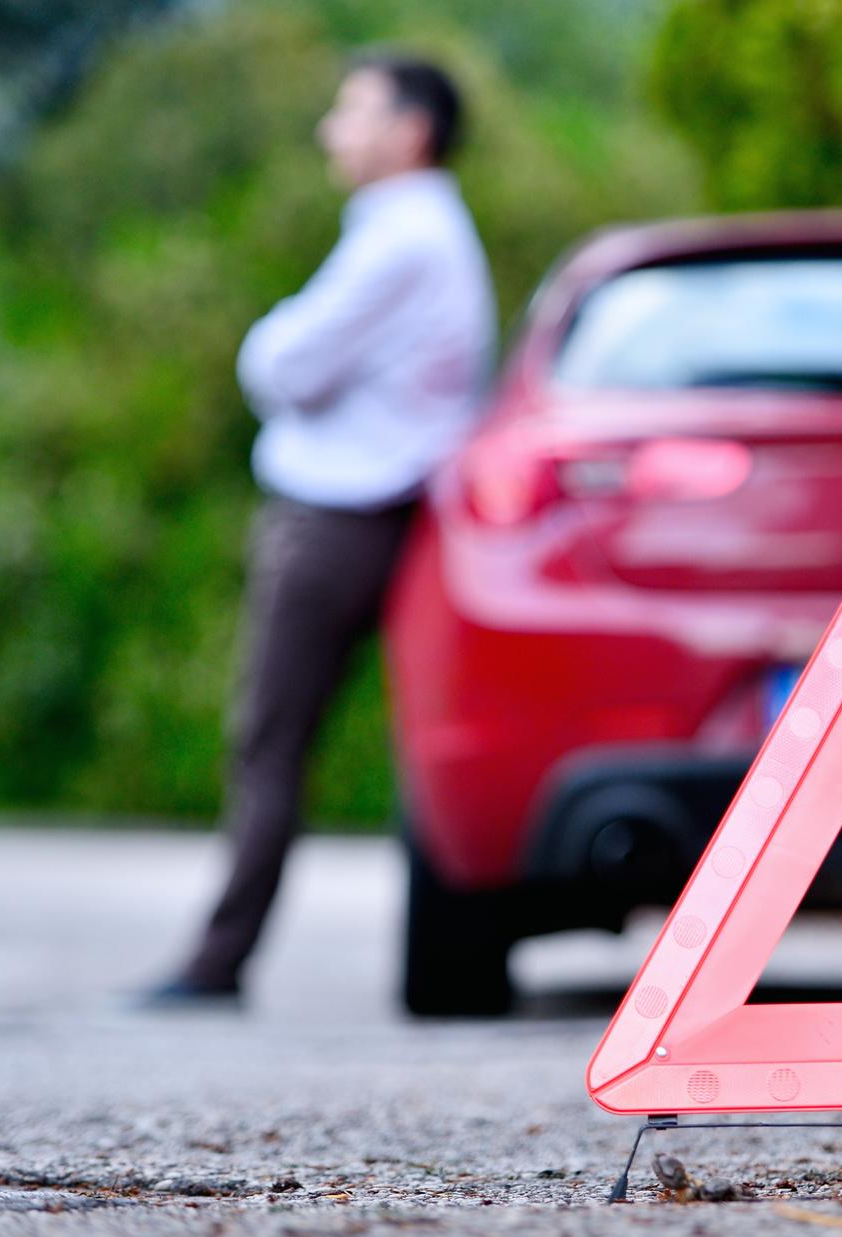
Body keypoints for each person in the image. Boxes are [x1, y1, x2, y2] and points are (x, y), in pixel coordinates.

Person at [144, 52, 495, 1006]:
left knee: (268, 739)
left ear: (411, 130)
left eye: (352, 110)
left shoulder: (403, 238)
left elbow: (281, 364)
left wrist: (272, 346)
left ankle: (219, 962)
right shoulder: (426, 232)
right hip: (384, 512)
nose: (331, 129)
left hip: (337, 519)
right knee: (365, 738)